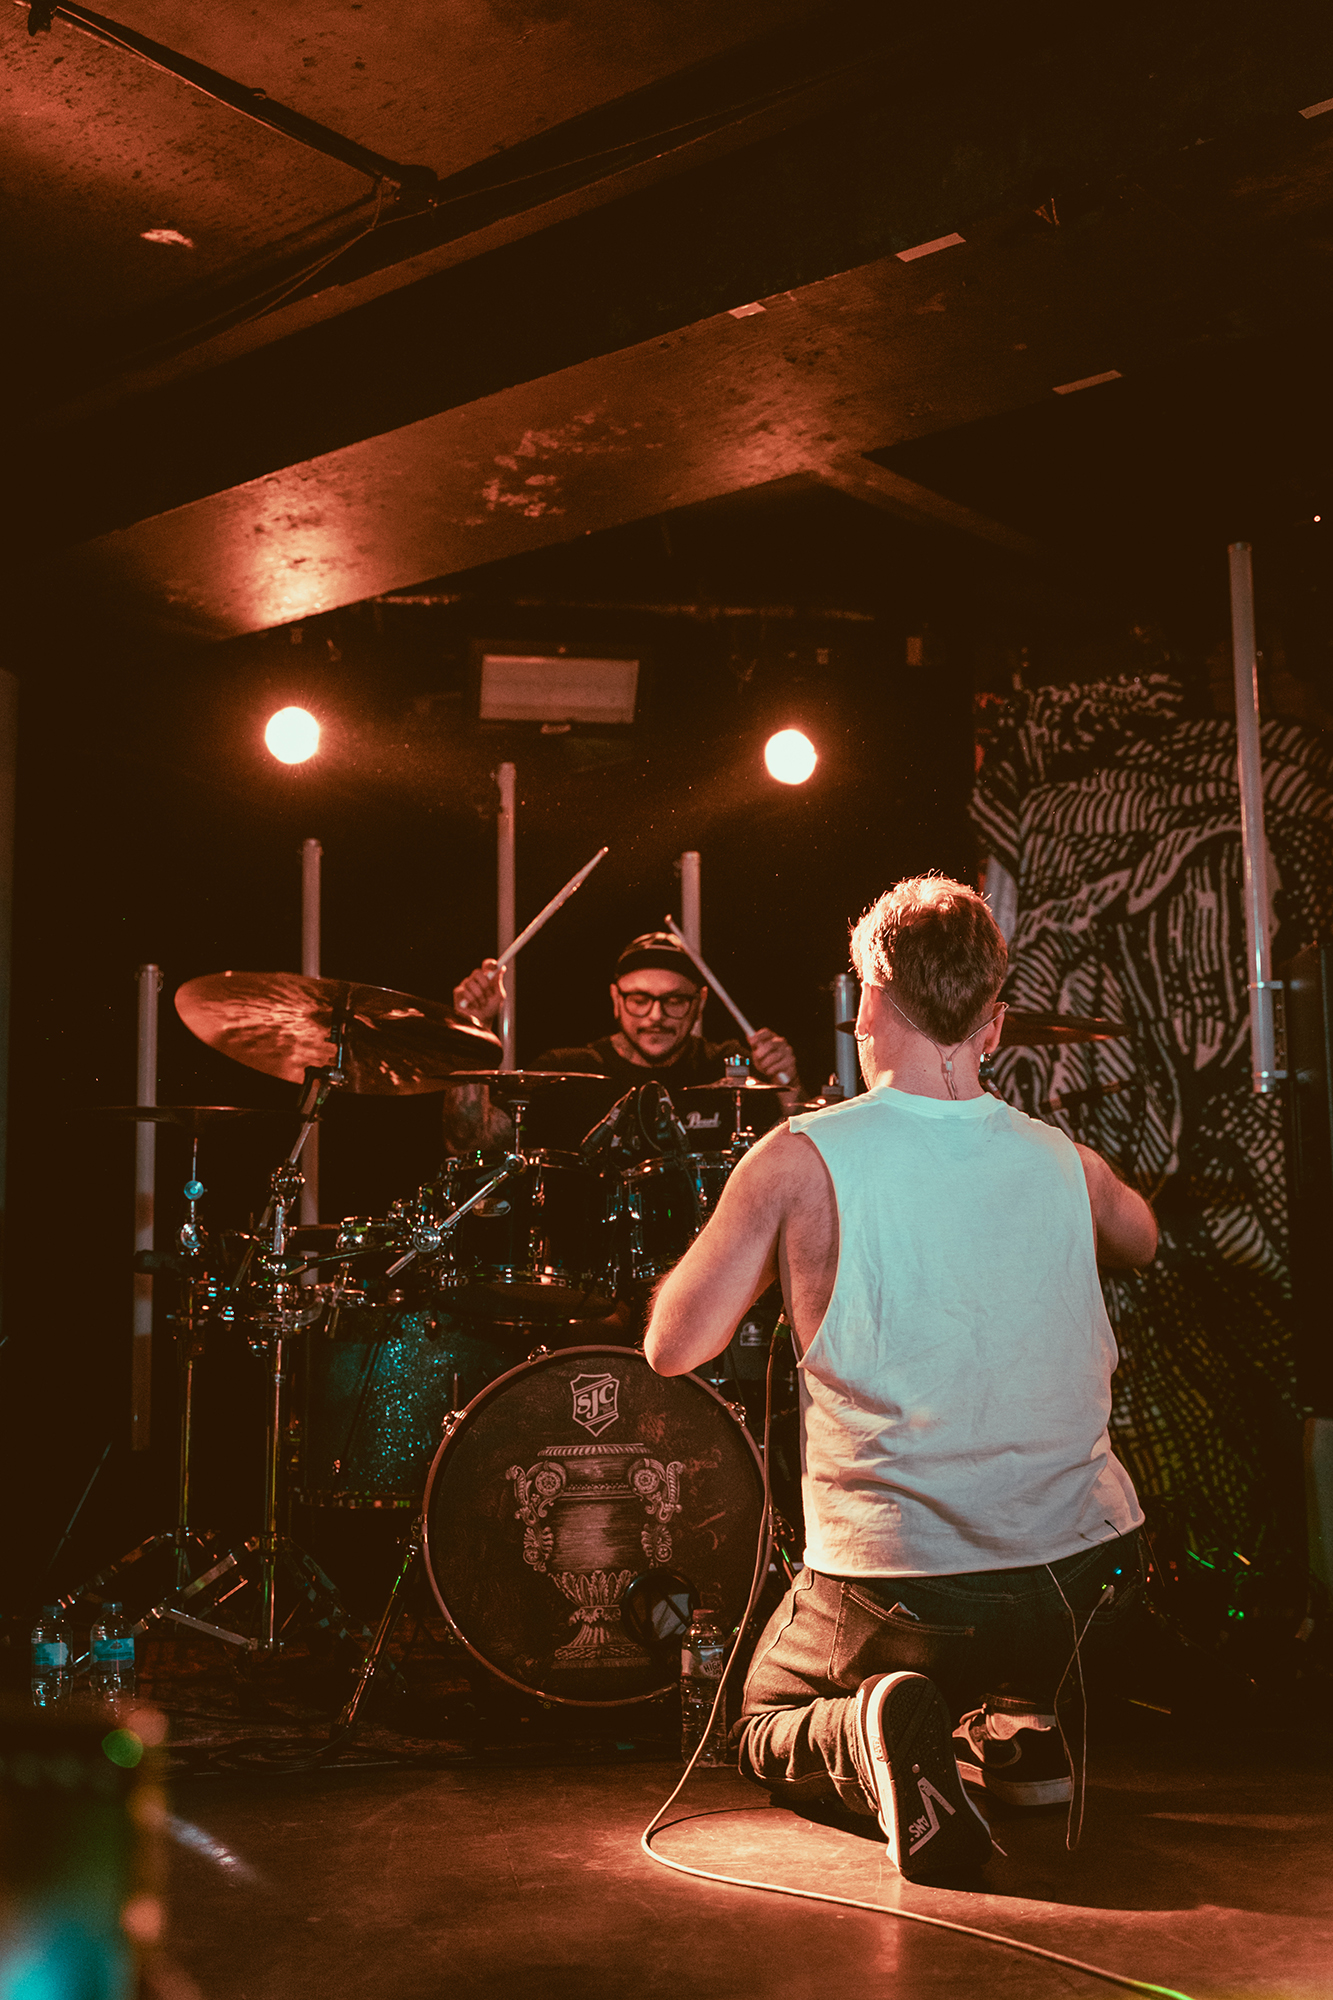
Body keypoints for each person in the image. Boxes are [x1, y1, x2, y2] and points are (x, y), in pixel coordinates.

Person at [644, 874, 1157, 1882]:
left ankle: (876, 1721)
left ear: (867, 1000)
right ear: (994, 1020)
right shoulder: (1070, 1161)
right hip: (1090, 1582)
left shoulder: (798, 1157)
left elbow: (674, 1344)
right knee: (1007, 1621)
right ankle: (1018, 1722)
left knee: (761, 1720)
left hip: (907, 1591)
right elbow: (1140, 1239)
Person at [444, 931, 803, 1155]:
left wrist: (788, 1082)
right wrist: (471, 1027)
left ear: (700, 1002)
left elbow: (800, 1155)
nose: (655, 1016)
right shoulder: (566, 1070)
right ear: (616, 999)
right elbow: (467, 1142)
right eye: (639, 999)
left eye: (675, 1000)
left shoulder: (730, 1067)